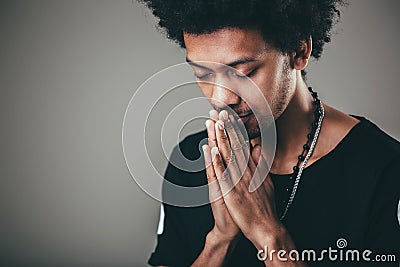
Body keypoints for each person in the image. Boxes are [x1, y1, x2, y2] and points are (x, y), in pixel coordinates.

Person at [140, 0, 400, 266]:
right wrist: (220, 240)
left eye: (243, 73)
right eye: (203, 73)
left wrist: (269, 236)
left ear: (299, 51)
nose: (221, 98)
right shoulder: (190, 161)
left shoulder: (384, 170)